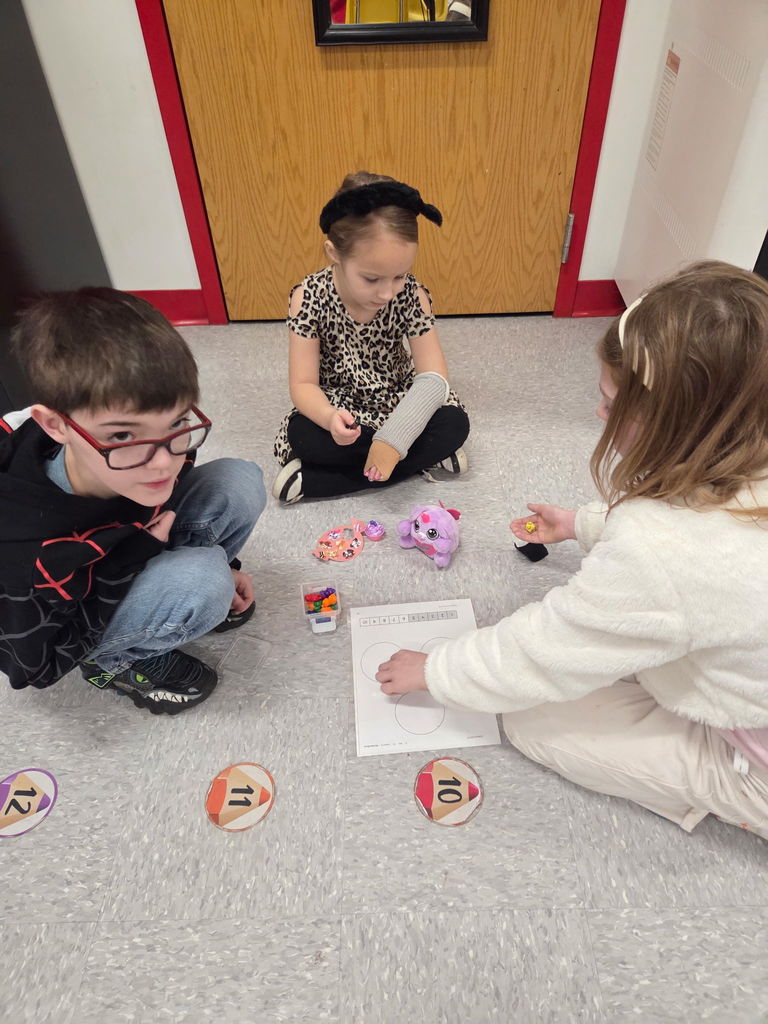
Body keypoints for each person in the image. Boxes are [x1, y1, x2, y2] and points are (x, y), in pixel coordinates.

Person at [376, 260, 768, 840]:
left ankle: (734, 801)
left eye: (610, 403)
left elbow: (539, 653)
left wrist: (436, 669)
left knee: (535, 719)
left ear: (669, 423)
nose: (597, 413)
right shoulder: (746, 443)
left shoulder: (661, 551)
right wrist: (585, 524)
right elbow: (703, 538)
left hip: (752, 754)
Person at [0, 288, 265, 715]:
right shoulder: (26, 557)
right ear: (55, 425)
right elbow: (33, 668)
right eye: (122, 435)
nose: (163, 464)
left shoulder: (146, 452)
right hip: (70, 615)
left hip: (122, 544)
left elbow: (165, 492)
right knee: (201, 582)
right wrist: (135, 562)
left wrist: (220, 562)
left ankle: (174, 596)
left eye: (177, 423)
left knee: (238, 481)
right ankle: (115, 664)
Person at [272, 171, 470, 503]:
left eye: (399, 276)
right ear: (334, 253)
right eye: (371, 278)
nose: (388, 292)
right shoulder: (308, 297)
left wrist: (394, 437)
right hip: (342, 406)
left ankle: (319, 482)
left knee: (454, 423)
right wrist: (330, 418)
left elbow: (434, 378)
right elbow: (303, 385)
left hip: (398, 400)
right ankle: (415, 460)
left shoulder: (412, 294)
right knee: (303, 435)